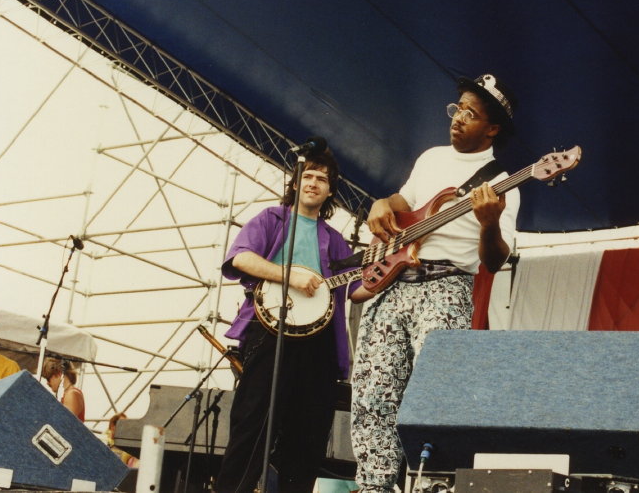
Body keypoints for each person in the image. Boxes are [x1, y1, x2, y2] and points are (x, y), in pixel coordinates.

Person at [350, 73, 520, 493]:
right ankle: (373, 486)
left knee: (436, 396)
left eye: (470, 114)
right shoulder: (430, 159)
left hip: (446, 286)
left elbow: (495, 260)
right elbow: (403, 204)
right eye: (457, 109)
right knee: (373, 392)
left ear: (492, 129)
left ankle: (431, 486)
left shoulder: (503, 185)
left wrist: (489, 224)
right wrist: (381, 203)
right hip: (394, 283)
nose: (458, 118)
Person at [214, 147, 371, 493]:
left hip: (319, 343)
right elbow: (240, 259)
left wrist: (391, 269)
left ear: (330, 190)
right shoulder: (271, 219)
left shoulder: (335, 240)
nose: (314, 183)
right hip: (269, 332)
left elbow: (357, 290)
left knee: (307, 436)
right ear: (296, 183)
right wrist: (290, 276)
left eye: (322, 179)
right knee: (252, 424)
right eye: (308, 176)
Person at [41, 356, 85, 421]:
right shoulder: (67, 394)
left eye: (48, 378)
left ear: (59, 374)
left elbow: (65, 423)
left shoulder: (71, 394)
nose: (47, 383)